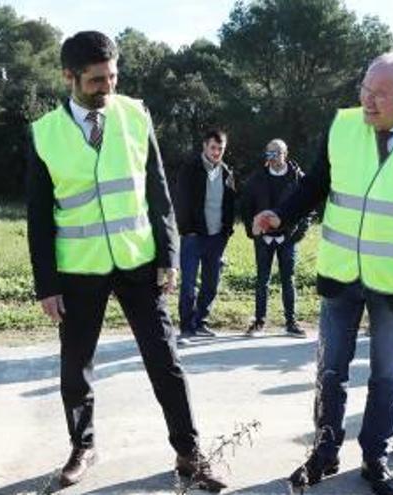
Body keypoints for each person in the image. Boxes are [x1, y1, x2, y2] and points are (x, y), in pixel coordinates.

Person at [254, 52, 393, 495]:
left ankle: (376, 459)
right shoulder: (342, 124)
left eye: (380, 95)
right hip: (341, 273)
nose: (367, 102)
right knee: (331, 370)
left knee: (387, 376)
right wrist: (282, 214)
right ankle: (325, 452)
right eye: (364, 90)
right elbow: (315, 183)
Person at [26, 31, 226, 492]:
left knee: (165, 359)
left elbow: (158, 189)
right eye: (97, 80)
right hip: (78, 269)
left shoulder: (136, 115)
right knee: (76, 365)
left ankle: (188, 451)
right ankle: (83, 446)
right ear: (69, 77)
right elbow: (38, 215)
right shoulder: (43, 134)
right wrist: (47, 284)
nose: (108, 87)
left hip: (139, 262)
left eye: (113, 77)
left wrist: (169, 255)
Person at [174, 129, 236, 343]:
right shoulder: (190, 169)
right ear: (204, 146)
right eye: (213, 147)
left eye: (220, 148)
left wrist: (227, 231)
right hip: (193, 237)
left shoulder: (227, 173)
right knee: (189, 284)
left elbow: (230, 204)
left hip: (216, 238)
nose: (216, 152)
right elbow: (180, 202)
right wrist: (187, 229)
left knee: (211, 283)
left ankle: (201, 322)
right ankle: (186, 327)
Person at [241, 138, 307, 338]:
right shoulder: (256, 178)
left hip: (288, 238)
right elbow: (246, 207)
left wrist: (296, 235)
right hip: (263, 239)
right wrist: (253, 232)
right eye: (269, 152)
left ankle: (291, 322)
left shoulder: (298, 178)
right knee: (262, 280)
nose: (273, 156)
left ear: (285, 154)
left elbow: (307, 208)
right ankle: (259, 321)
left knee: (288, 280)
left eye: (277, 152)